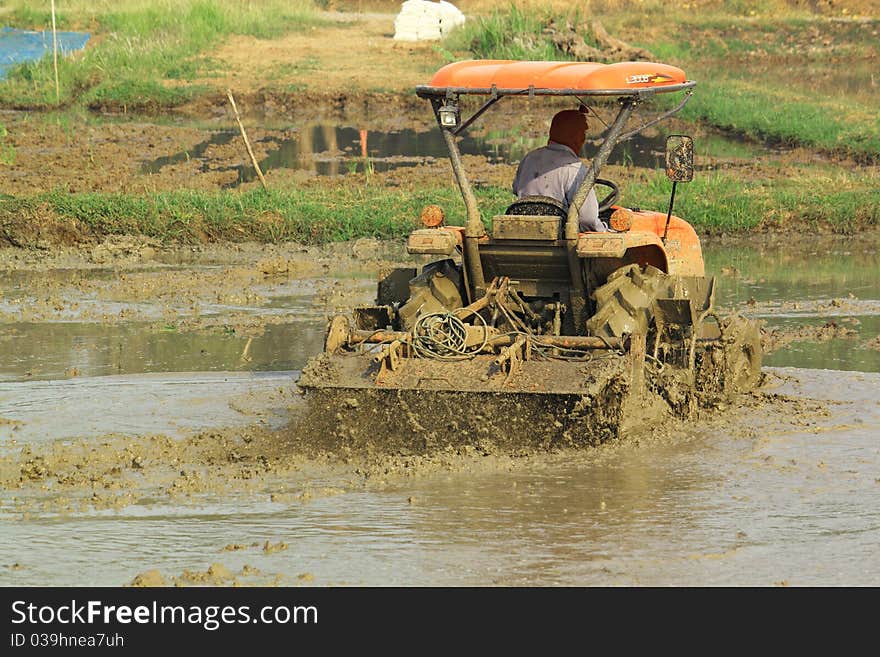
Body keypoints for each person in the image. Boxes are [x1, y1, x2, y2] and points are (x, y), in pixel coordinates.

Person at [511, 109, 606, 233]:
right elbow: (588, 220)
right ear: (578, 138)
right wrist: (606, 229)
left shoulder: (529, 159)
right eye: (583, 134)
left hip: (523, 232)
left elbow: (516, 189)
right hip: (558, 241)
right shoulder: (575, 169)